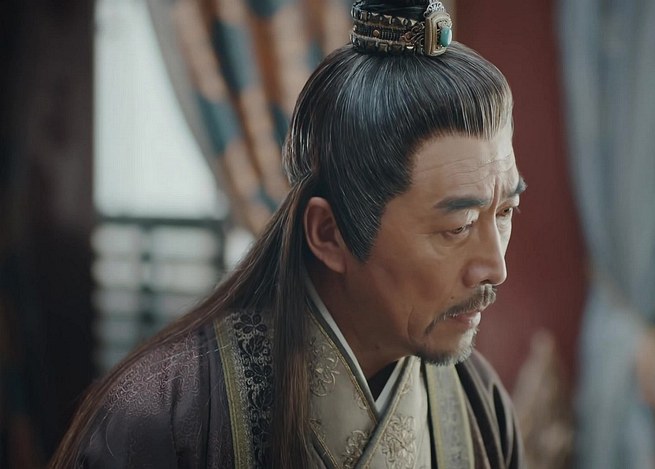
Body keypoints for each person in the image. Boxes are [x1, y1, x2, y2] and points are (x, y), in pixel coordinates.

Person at [51, 0, 527, 467]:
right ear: (329, 234)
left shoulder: (479, 403)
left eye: (505, 212)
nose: (495, 268)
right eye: (458, 227)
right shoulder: (162, 418)